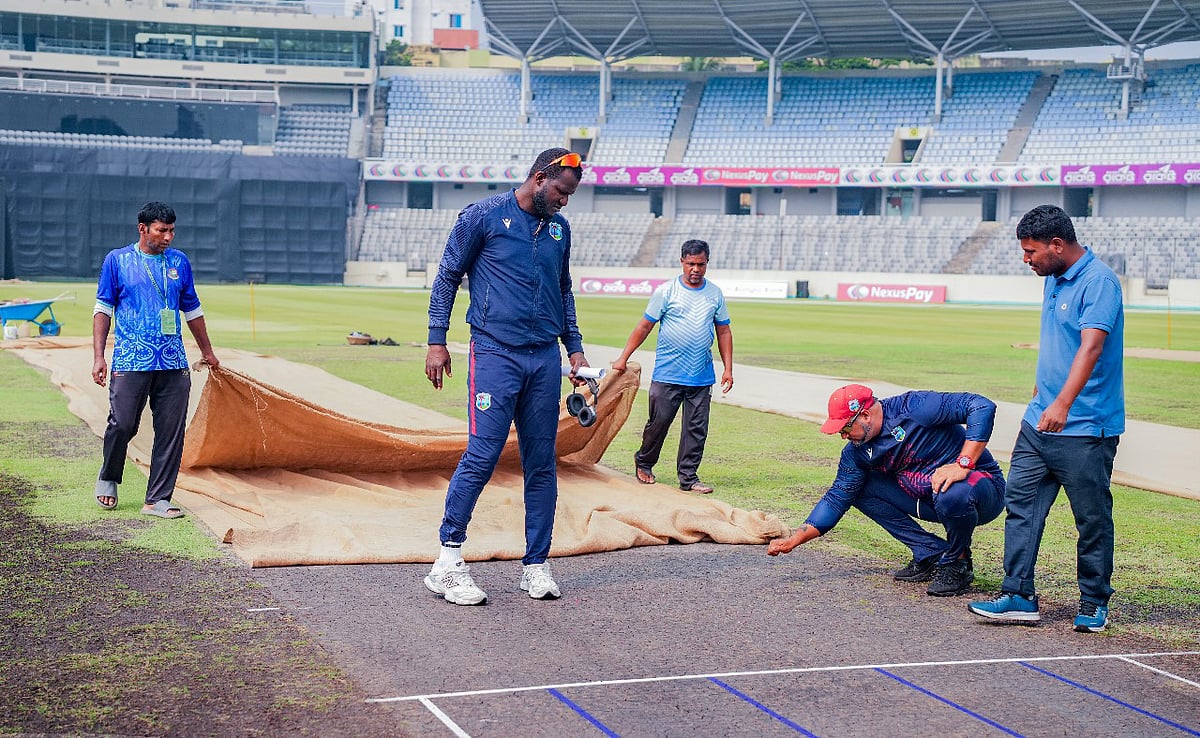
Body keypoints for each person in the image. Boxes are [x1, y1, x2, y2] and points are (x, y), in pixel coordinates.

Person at [423, 148, 589, 606]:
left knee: (542, 463)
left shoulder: (559, 228)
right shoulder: (484, 216)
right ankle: (447, 561)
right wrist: (437, 340)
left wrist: (574, 350)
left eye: (570, 195)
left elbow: (563, 290)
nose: (564, 202)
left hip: (544, 360)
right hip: (494, 353)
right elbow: (447, 276)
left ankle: (535, 565)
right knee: (483, 453)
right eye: (560, 192)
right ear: (539, 179)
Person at [969, 205, 1124, 632]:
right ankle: (1018, 594)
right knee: (1019, 506)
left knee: (1091, 518)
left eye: (1031, 250)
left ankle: (1094, 602)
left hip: (1085, 427)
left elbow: (1091, 348)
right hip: (1040, 424)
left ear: (1057, 245)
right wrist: (1043, 393)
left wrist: (1064, 404)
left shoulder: (1100, 282)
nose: (1027, 259)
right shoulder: (1053, 277)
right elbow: (1058, 340)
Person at [767, 384, 1006, 597]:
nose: (843, 436)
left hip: (981, 492)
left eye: (846, 428)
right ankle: (930, 552)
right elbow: (837, 496)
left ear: (866, 416)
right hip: (928, 496)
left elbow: (981, 406)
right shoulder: (855, 453)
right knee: (857, 489)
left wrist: (963, 463)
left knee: (952, 490)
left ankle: (957, 564)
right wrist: (796, 539)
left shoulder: (916, 407)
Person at [92, 202, 219, 519]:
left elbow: (192, 310)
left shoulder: (179, 262)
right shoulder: (117, 261)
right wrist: (99, 356)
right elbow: (102, 310)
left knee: (171, 432)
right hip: (131, 359)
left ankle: (157, 499)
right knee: (122, 424)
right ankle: (109, 475)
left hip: (173, 362)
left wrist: (207, 351)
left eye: (172, 230)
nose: (168, 237)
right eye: (162, 230)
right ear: (143, 229)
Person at [610, 239, 733, 494]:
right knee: (659, 423)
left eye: (700, 264)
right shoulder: (666, 291)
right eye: (690, 264)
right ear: (681, 262)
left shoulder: (715, 294)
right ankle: (644, 461)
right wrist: (623, 357)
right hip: (668, 373)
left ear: (707, 263)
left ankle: (688, 478)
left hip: (701, 376)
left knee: (696, 430)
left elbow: (723, 332)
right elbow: (644, 326)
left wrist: (728, 369)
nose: (695, 269)